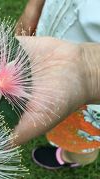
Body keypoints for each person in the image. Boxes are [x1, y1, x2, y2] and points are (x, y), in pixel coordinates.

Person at [14, 0, 100, 169]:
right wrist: (34, 6)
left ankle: (69, 157)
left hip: (93, 106)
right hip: (51, 38)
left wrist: (88, 70)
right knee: (57, 124)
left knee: (81, 142)